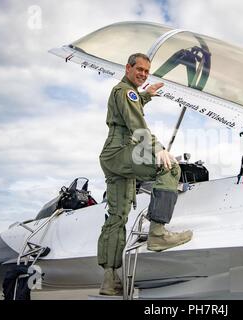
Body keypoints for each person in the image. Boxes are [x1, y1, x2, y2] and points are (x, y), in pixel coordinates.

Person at [97, 53, 193, 296]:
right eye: (139, 69)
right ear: (127, 67)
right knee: (170, 167)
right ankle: (158, 234)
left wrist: (147, 95)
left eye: (146, 71)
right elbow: (137, 125)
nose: (142, 74)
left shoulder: (125, 92)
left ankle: (110, 280)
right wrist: (158, 149)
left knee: (117, 217)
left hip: (111, 157)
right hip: (121, 151)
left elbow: (130, 106)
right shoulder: (125, 91)